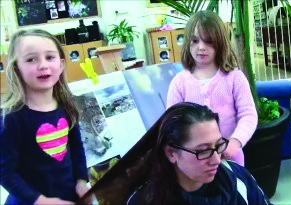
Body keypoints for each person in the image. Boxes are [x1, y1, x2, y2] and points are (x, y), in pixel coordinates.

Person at [78, 102, 271, 205]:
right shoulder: (144, 200)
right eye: (202, 151)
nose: (216, 159)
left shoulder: (236, 178)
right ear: (171, 153)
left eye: (219, 145)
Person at [0, 29, 89, 205]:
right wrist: (41, 201)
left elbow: (77, 148)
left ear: (62, 64)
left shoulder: (66, 106)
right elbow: (5, 172)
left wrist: (81, 181)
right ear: (16, 67)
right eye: (31, 59)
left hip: (68, 197)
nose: (43, 65)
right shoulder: (11, 118)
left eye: (50, 57)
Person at [166, 10, 258, 166]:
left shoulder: (235, 78)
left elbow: (248, 115)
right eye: (195, 40)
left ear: (220, 43)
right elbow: (172, 124)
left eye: (208, 41)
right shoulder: (179, 83)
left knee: (234, 190)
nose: (201, 47)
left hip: (231, 159)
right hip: (195, 165)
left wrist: (234, 142)